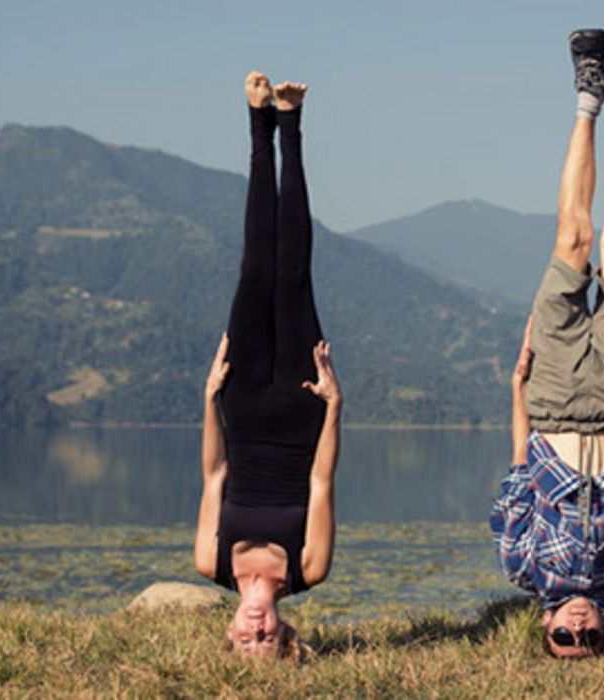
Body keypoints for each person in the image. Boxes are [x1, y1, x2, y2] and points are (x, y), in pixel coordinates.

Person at [489, 29, 604, 659]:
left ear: (544, 628)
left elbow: (519, 466)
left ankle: (586, 93)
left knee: (572, 240)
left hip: (556, 397)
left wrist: (517, 388)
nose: (577, 624)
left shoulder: (522, 566)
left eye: (564, 638)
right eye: (588, 639)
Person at [195, 71, 342, 661]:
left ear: (229, 635)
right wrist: (335, 406)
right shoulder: (310, 568)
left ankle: (259, 122)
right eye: (266, 638)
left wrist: (209, 397)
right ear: (284, 635)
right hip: (303, 407)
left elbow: (213, 475)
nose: (254, 627)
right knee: (293, 274)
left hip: (245, 404)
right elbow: (321, 481)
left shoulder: (210, 561)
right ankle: (293, 123)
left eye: (244, 639)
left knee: (256, 271)